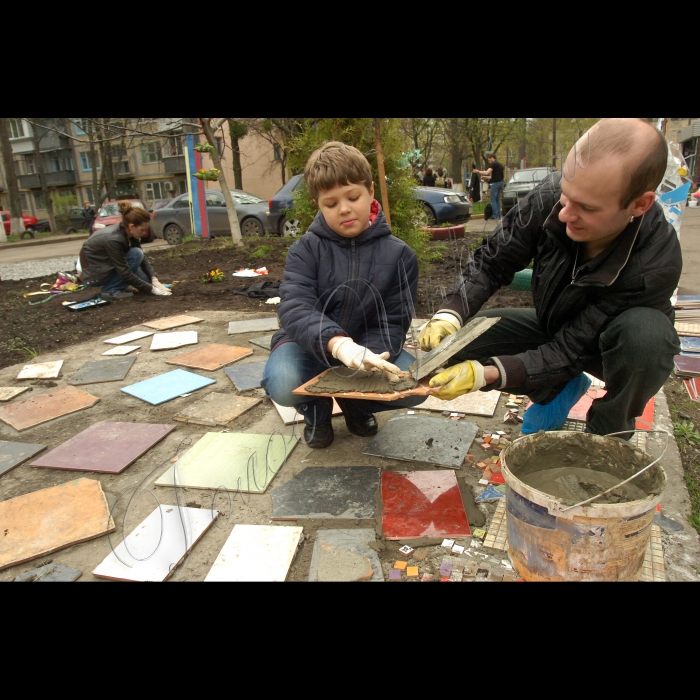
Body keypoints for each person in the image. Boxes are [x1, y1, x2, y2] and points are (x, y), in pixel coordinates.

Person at [420, 118, 681, 438]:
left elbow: (572, 348)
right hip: (553, 324)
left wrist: (487, 374)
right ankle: (560, 390)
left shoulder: (655, 263)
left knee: (647, 340)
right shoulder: (550, 198)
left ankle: (606, 437)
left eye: (586, 207)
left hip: (609, 348)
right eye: (565, 195)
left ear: (639, 204)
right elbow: (491, 261)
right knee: (461, 340)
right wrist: (452, 311)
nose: (564, 214)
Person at [262, 141, 423, 448]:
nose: (345, 209)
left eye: (353, 197)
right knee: (282, 383)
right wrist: (338, 345)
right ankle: (316, 412)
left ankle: (355, 404)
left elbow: (393, 319)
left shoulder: (400, 255)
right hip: (306, 345)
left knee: (411, 387)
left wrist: (370, 359)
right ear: (318, 206)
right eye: (331, 203)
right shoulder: (304, 250)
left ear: (371, 191)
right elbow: (296, 307)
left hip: (367, 348)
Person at [78, 200, 171, 301]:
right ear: (132, 226)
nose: (144, 233)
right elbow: (124, 272)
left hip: (106, 266)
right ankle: (110, 290)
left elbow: (142, 260)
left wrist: (154, 279)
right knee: (136, 254)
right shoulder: (114, 239)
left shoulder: (129, 233)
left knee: (141, 266)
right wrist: (151, 289)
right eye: (142, 230)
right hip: (93, 274)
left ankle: (117, 285)